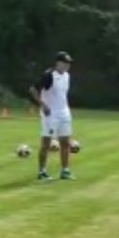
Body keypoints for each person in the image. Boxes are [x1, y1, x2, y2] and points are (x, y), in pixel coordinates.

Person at [28, 51, 76, 182]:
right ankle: (42, 171)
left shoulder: (67, 76)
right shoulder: (49, 75)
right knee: (46, 143)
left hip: (64, 112)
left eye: (69, 63)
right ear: (58, 63)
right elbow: (33, 89)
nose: (67, 66)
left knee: (65, 142)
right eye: (65, 63)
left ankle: (65, 171)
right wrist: (42, 105)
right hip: (50, 114)